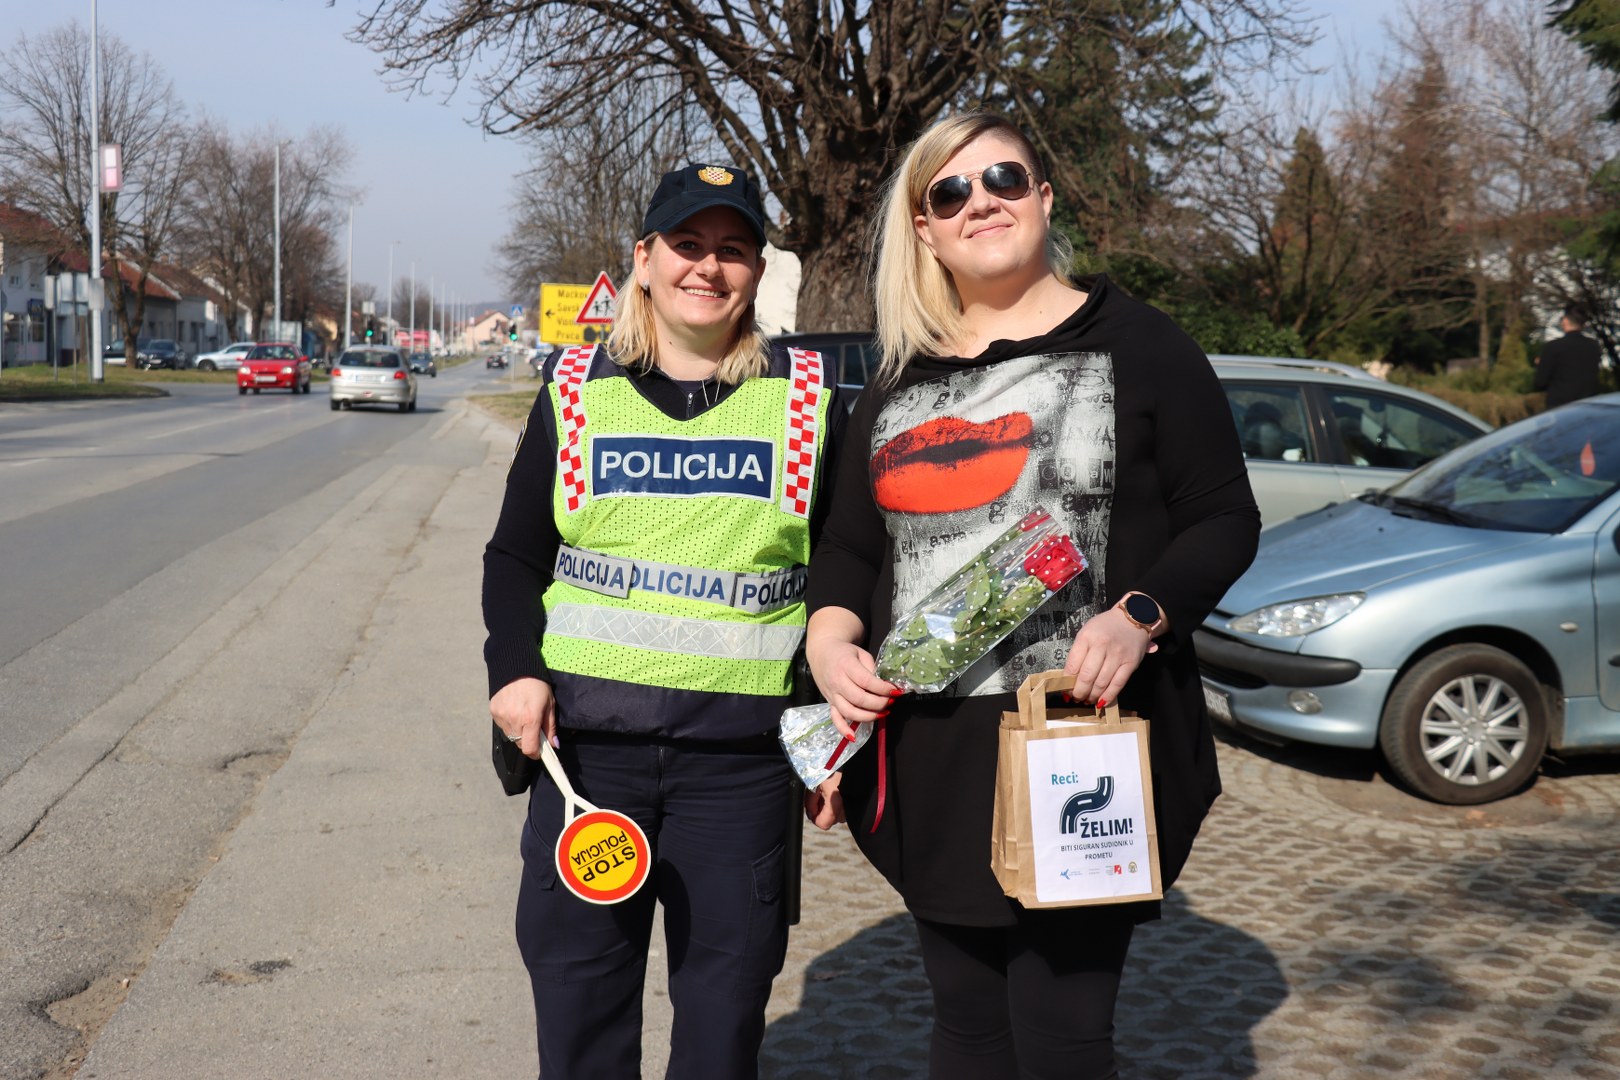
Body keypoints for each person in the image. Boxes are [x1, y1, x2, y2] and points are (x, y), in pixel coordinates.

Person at [803, 112, 1260, 1079]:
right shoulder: (896, 378)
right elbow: (847, 545)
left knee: (1063, 1036)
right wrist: (829, 641)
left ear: (1044, 198)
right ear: (925, 230)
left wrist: (1141, 617)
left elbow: (1224, 518)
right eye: (950, 192)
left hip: (1080, 747)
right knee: (966, 1027)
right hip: (932, 755)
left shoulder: (1143, 345)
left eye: (1004, 178)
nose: (981, 203)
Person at [483, 162, 845, 1079]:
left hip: (740, 774)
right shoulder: (574, 388)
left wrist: (826, 743)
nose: (708, 267)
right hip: (587, 765)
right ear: (643, 259)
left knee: (723, 1026)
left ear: (757, 270)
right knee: (580, 1014)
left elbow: (839, 584)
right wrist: (515, 671)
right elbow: (515, 557)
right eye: (687, 244)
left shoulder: (809, 398)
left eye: (733, 249)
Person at [1534, 306, 1602, 408]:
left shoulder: (1552, 347)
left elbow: (1540, 383)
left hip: (1559, 408)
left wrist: (1541, 365)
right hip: (1587, 407)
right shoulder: (1593, 346)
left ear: (1565, 321)